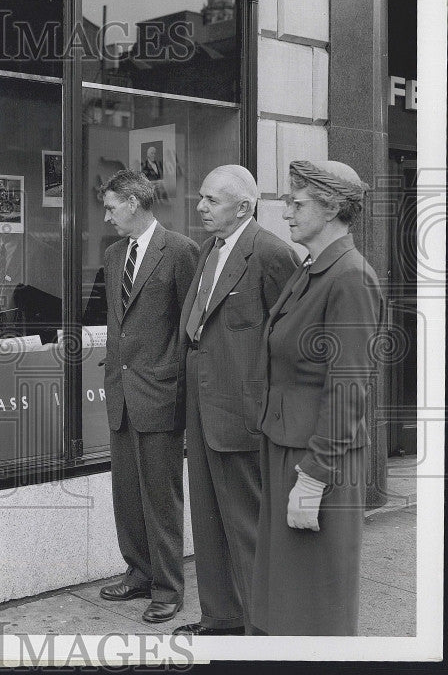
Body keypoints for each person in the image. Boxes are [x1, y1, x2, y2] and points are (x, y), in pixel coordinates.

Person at [250, 160, 382, 636]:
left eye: (297, 202)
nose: (287, 211)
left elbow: (349, 387)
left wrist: (313, 478)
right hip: (288, 445)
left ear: (331, 209)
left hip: (316, 458)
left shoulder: (349, 277)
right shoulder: (314, 269)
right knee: (283, 594)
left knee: (314, 604)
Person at [172, 165, 299, 636]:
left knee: (248, 526)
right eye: (201, 198)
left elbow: (289, 343)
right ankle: (221, 616)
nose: (200, 207)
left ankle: (260, 628)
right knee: (207, 520)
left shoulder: (271, 253)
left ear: (244, 207)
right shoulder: (211, 248)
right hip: (202, 410)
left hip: (241, 417)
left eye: (211, 200)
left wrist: (270, 411)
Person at [98, 170, 198, 623]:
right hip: (121, 394)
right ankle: (138, 572)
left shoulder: (180, 251)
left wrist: (173, 381)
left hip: (159, 395)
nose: (107, 215)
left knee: (161, 497)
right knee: (127, 494)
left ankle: (168, 588)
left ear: (134, 204)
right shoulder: (114, 254)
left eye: (111, 206)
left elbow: (190, 326)